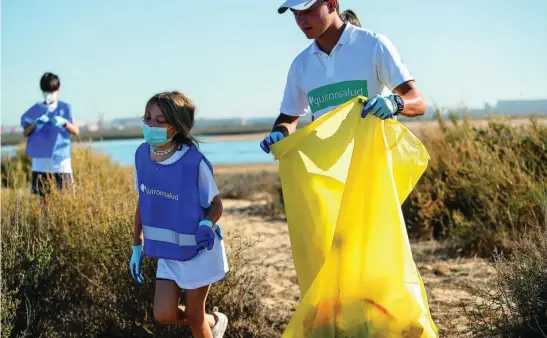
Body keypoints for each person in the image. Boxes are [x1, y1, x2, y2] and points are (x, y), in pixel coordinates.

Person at [260, 0, 427, 153]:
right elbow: (288, 118)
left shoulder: (374, 45)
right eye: (295, 13)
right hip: (328, 174)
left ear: (332, 4)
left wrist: (394, 103)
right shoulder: (300, 64)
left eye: (307, 10)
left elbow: (418, 102)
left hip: (376, 171)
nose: (300, 20)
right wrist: (279, 133)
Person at [129, 91, 229, 338]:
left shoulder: (194, 162)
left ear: (178, 125)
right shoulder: (141, 156)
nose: (151, 125)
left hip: (198, 251)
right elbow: (143, 202)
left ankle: (207, 322)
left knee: (195, 317)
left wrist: (207, 223)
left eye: (160, 121)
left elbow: (216, 204)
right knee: (163, 314)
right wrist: (136, 245)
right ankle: (215, 321)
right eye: (148, 118)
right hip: (168, 252)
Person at [20, 72, 79, 206]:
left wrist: (64, 123)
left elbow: (76, 131)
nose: (49, 94)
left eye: (51, 91)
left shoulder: (65, 108)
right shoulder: (35, 109)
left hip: (61, 161)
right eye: (46, 91)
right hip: (41, 162)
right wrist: (35, 124)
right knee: (43, 200)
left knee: (67, 198)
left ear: (58, 90)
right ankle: (45, 226)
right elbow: (25, 133)